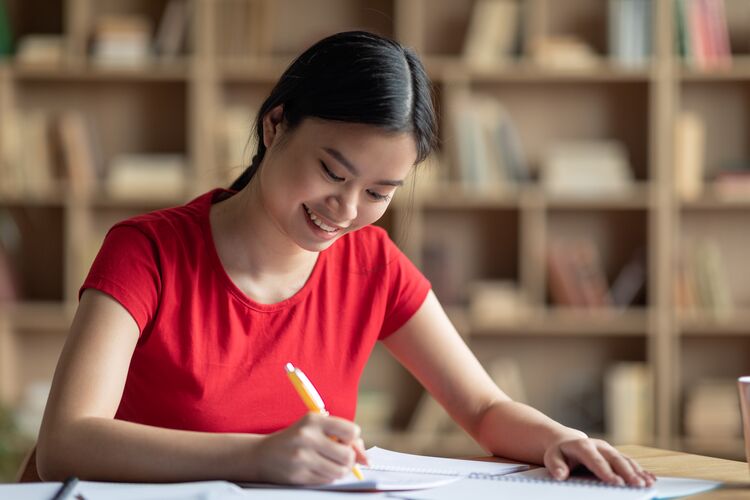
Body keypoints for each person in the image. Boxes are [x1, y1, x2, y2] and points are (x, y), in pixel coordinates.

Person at [37, 31, 655, 488]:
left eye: (380, 194)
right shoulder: (148, 252)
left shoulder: (371, 265)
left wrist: (563, 439)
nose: (346, 209)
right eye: (333, 171)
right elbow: (65, 441)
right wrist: (253, 456)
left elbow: (484, 408)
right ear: (276, 126)